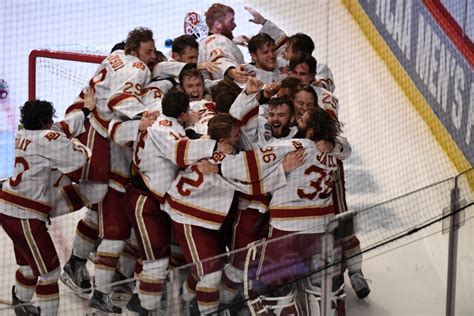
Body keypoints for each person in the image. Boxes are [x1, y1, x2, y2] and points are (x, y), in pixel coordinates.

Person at [61, 27, 157, 313]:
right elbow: (118, 101)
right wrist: (144, 117)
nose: (151, 57)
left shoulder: (116, 55)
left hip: (92, 133)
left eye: (153, 52)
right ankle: (100, 293)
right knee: (113, 222)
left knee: (96, 207)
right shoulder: (138, 69)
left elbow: (99, 93)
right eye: (148, 51)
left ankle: (76, 264)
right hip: (107, 145)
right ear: (135, 51)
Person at [123, 89, 223, 313]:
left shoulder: (158, 118)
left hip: (149, 197)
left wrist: (188, 128)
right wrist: (213, 145)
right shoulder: (166, 129)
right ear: (184, 112)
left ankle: (141, 302)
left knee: (157, 258)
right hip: (144, 200)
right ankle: (139, 308)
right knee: (156, 263)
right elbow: (180, 153)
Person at [0, 99, 93, 316]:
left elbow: (59, 129)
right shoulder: (49, 139)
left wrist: (84, 111)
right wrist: (75, 141)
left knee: (28, 267)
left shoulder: (22, 133)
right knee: (50, 273)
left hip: (8, 208)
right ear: (45, 121)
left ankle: (21, 305)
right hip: (26, 217)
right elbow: (81, 157)